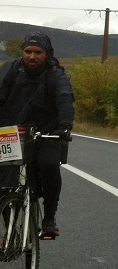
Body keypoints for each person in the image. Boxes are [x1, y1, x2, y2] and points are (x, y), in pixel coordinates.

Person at [0, 31, 75, 238]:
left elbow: (64, 98)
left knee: (49, 164)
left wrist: (65, 125)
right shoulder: (11, 70)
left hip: (47, 132)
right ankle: (10, 231)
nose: (32, 56)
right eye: (28, 51)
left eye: (38, 52)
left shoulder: (55, 75)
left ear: (47, 54)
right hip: (12, 132)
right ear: (22, 52)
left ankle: (49, 218)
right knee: (4, 183)